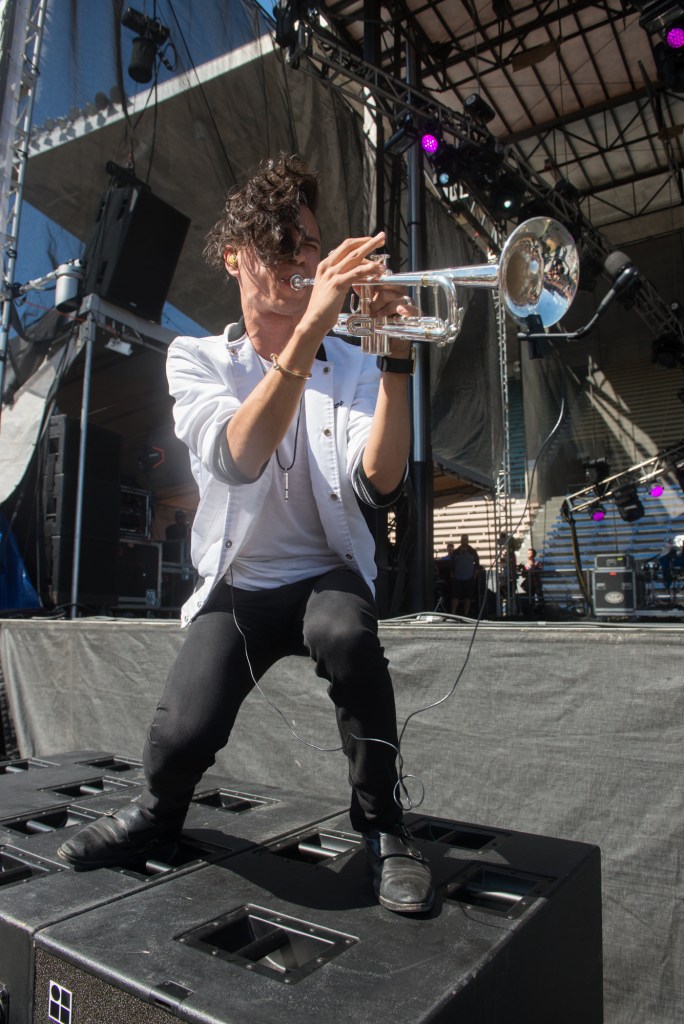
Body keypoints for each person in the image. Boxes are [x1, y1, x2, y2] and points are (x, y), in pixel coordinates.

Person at [58, 153, 434, 914]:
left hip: (326, 572)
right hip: (241, 583)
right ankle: (157, 816)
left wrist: (396, 367)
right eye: (285, 246)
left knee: (347, 631)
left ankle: (384, 830)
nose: (306, 261)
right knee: (181, 731)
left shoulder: (354, 364)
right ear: (236, 255)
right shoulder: (196, 359)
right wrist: (310, 334)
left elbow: (380, 485)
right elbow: (237, 456)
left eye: (312, 245)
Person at [450, 534, 479, 616]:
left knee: (468, 597)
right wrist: (452, 577)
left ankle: (466, 614)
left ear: (468, 541)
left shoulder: (473, 551)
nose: (464, 541)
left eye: (466, 540)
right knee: (455, 596)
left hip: (469, 579)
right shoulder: (455, 552)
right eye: (463, 540)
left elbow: (477, 565)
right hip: (457, 579)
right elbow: (451, 565)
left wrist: (474, 576)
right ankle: (453, 613)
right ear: (461, 540)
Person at [519, 547, 543, 615]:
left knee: (539, 597)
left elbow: (539, 571)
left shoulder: (538, 563)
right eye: (528, 553)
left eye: (530, 553)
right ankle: (531, 611)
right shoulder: (526, 565)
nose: (529, 555)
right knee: (530, 598)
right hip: (529, 584)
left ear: (534, 555)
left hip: (537, 583)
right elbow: (523, 574)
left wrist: (533, 570)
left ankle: (541, 609)